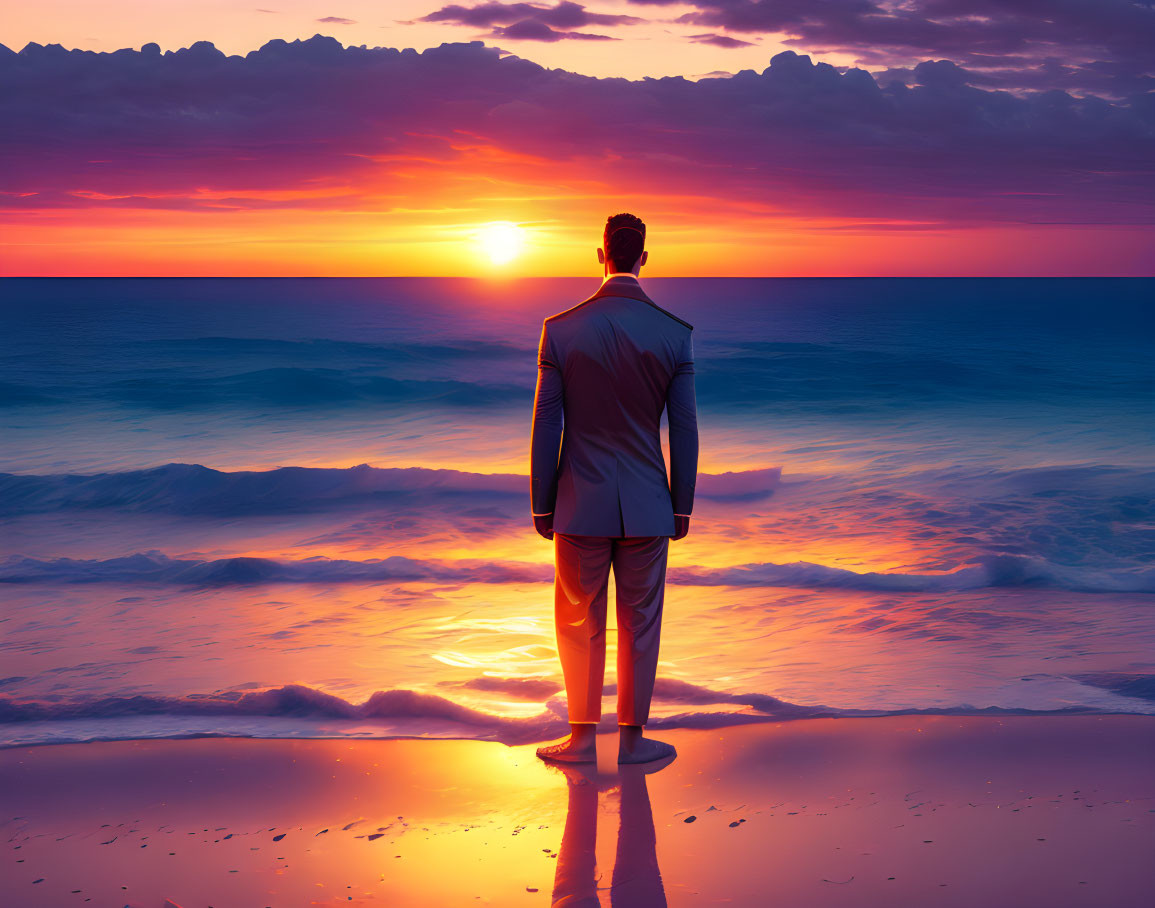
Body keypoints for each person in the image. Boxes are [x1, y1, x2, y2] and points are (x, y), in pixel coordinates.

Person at [530, 212, 698, 765]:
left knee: (579, 620)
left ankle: (580, 741)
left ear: (598, 253)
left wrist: (542, 500)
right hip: (649, 501)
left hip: (580, 499)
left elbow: (546, 422)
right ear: (645, 257)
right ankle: (631, 741)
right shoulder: (675, 334)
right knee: (641, 621)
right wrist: (682, 506)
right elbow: (686, 430)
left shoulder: (561, 328)